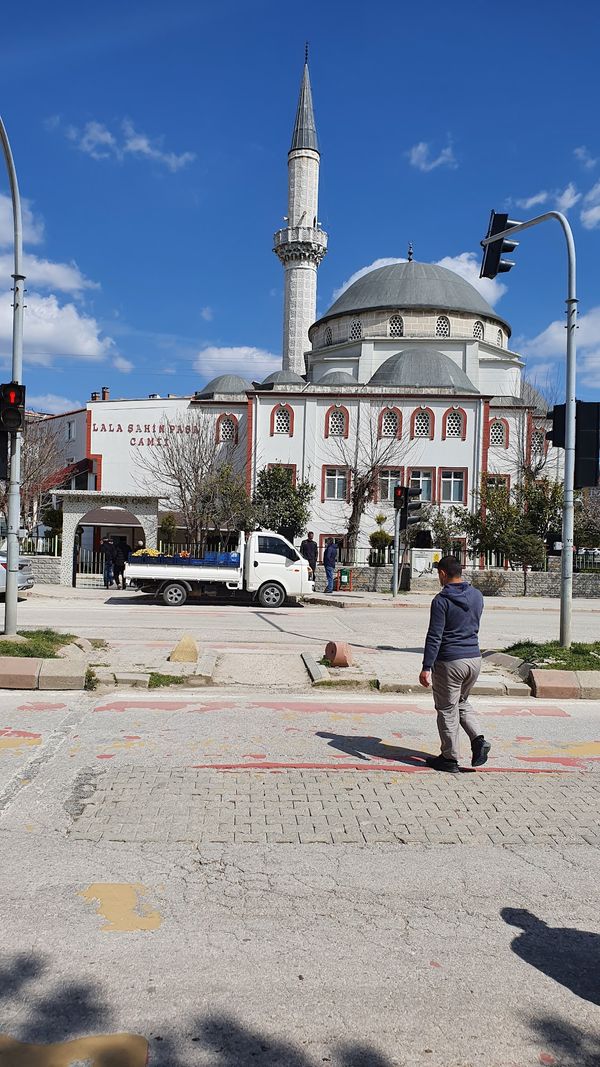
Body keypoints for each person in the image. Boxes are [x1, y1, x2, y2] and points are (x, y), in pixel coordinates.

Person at [419, 555, 491, 773]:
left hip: (450, 662)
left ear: (443, 573)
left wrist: (426, 667)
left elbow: (435, 636)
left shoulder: (441, 601)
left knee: (446, 709)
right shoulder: (477, 595)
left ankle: (449, 759)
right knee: (460, 702)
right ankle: (478, 740)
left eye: (437, 574)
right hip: (474, 659)